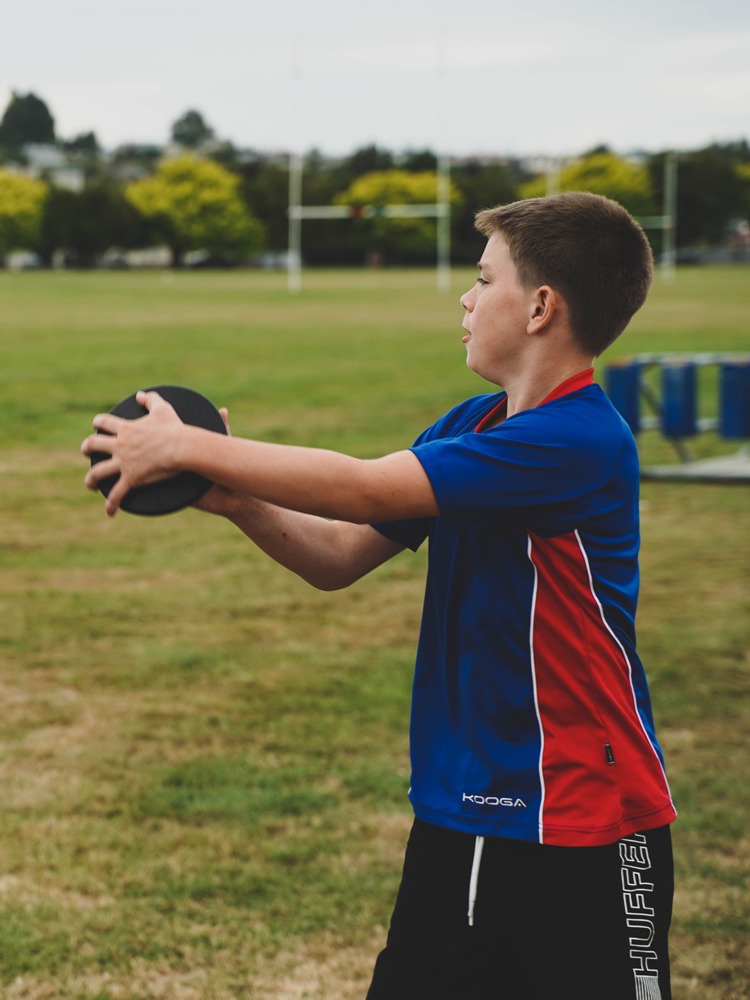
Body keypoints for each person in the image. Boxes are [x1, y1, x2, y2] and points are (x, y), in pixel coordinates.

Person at [82, 191, 676, 1000]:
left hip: (588, 824)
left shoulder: (577, 441)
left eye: (483, 278)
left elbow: (361, 489)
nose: (466, 299)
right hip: (462, 811)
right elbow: (336, 555)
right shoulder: (475, 425)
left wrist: (189, 444)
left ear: (541, 306)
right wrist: (238, 500)